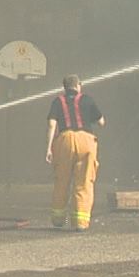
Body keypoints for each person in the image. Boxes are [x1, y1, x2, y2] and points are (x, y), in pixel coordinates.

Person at [44, 74, 105, 230]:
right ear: (78, 86)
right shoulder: (88, 99)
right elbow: (101, 122)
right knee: (84, 182)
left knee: (62, 181)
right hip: (86, 141)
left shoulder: (58, 101)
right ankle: (80, 223)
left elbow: (52, 125)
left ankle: (59, 221)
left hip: (64, 141)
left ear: (64, 88)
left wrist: (49, 148)